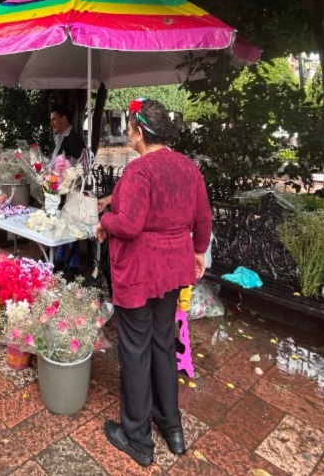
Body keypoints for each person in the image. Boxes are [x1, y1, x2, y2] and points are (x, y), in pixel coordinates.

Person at [94, 99, 212, 467]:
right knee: (163, 341)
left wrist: (105, 222)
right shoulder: (187, 167)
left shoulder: (138, 171)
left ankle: (137, 437)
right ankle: (171, 426)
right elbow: (203, 217)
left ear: (140, 131)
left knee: (134, 347)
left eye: (129, 128)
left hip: (140, 271)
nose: (127, 134)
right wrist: (198, 252)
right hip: (173, 268)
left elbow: (128, 225)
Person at [49, 104, 88, 276]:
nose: (52, 123)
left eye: (54, 118)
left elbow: (75, 168)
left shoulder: (74, 139)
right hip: (59, 188)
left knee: (71, 226)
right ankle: (59, 258)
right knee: (61, 223)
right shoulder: (60, 137)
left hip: (72, 190)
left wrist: (61, 180)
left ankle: (72, 264)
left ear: (64, 118)